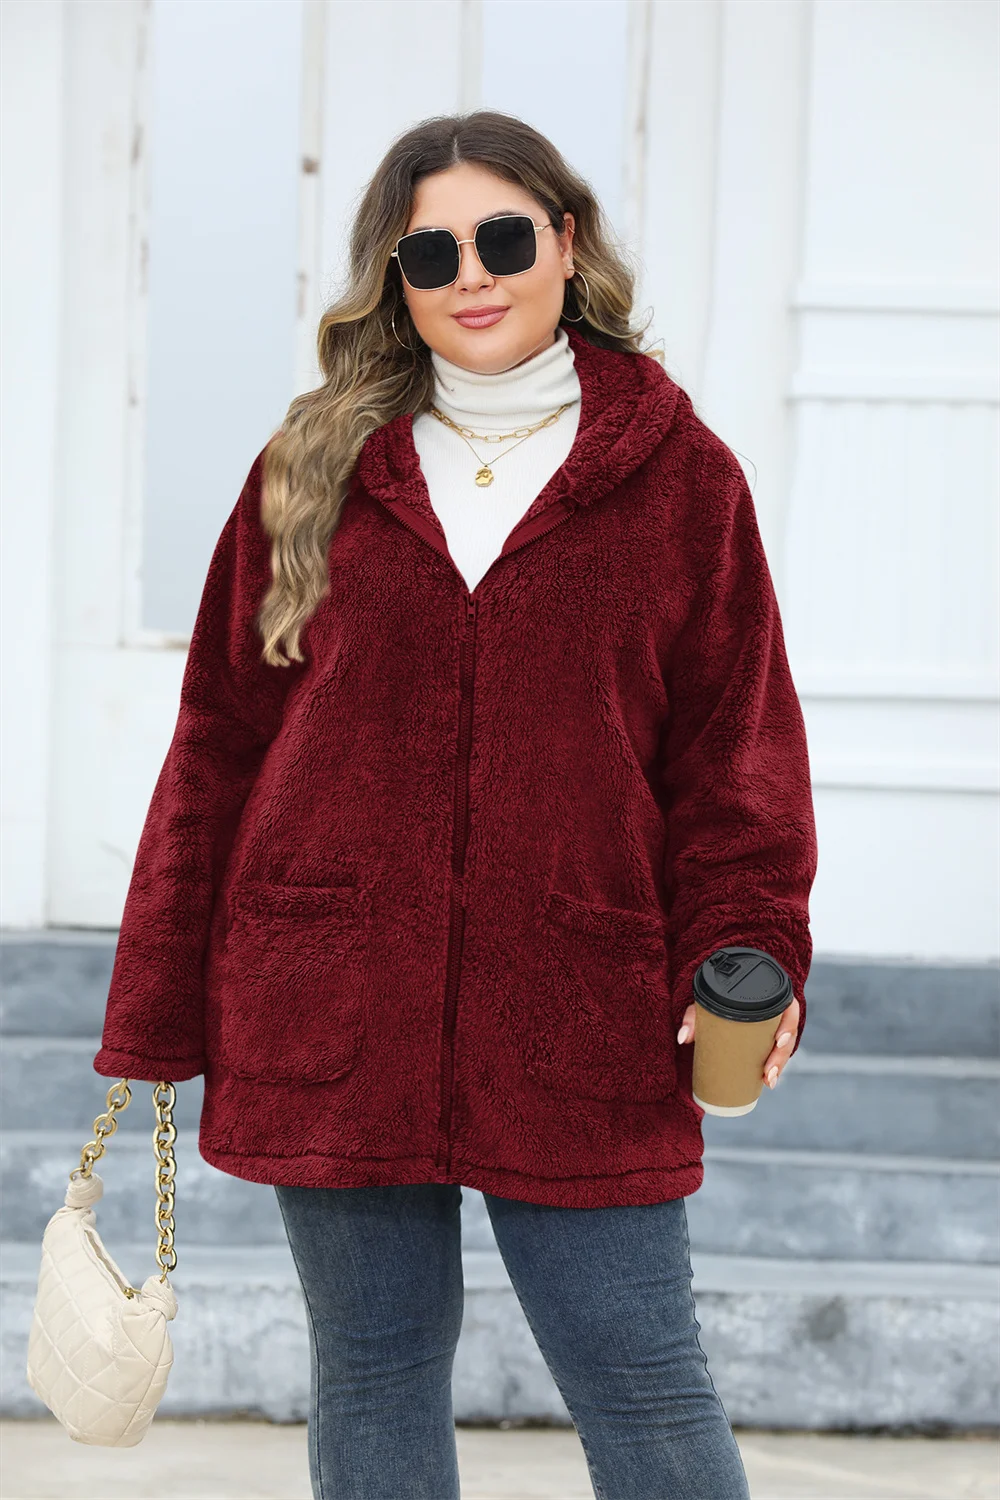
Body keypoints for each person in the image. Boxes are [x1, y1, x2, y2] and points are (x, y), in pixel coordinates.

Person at [95, 109, 817, 1499]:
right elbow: (217, 750)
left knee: (641, 1373)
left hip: (583, 997)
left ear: (567, 244)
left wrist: (752, 944)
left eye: (502, 238)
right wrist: (157, 1009)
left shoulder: (684, 481)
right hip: (335, 990)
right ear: (396, 277)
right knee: (373, 1366)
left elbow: (737, 763)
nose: (472, 275)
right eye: (432, 252)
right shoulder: (310, 469)